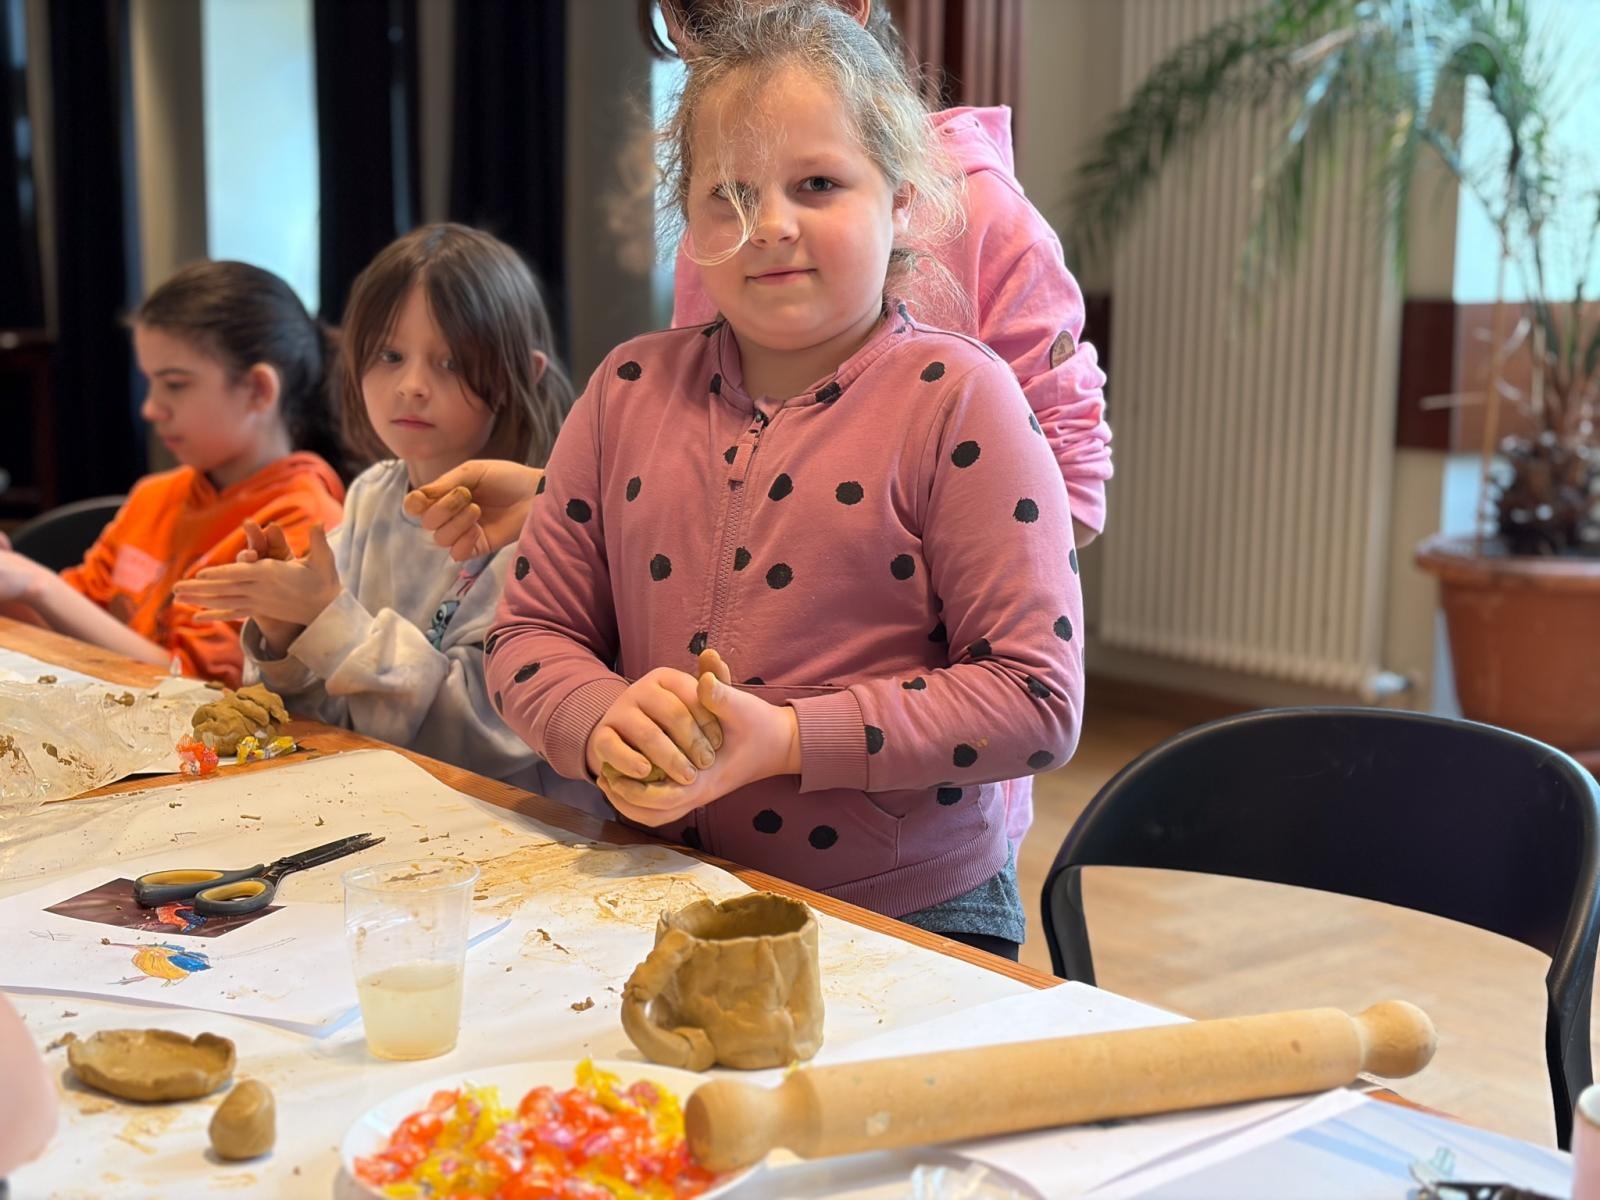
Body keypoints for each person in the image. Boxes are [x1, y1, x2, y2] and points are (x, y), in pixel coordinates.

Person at [486, 3, 1083, 960]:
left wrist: (788, 738)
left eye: (816, 184)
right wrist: (598, 719)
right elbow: (527, 635)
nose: (769, 226)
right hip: (658, 885)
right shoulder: (625, 389)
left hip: (905, 912)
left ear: (900, 200)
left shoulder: (961, 402)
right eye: (728, 194)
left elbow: (1036, 700)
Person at [174, 225, 591, 807]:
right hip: (383, 807)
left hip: (514, 830)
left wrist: (329, 620)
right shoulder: (372, 494)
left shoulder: (539, 522)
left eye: (450, 363)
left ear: (528, 371)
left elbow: (486, 739)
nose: (413, 386)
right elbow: (332, 718)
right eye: (390, 356)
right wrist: (287, 629)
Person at [0, 262, 346, 686]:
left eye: (175, 384)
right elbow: (67, 624)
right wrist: (11, 578)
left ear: (258, 389)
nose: (151, 408)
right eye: (150, 383)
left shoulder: (304, 525)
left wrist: (35, 585)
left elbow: (204, 688)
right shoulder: (155, 496)